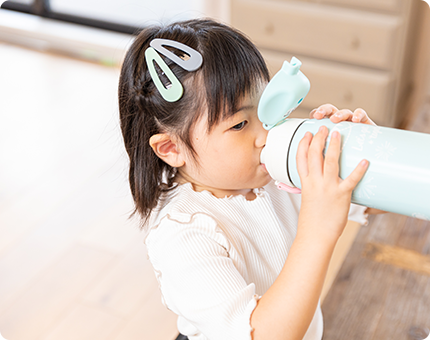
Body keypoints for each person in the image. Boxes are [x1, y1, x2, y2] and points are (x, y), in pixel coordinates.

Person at [118, 18, 384, 340]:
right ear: (172, 148)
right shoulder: (182, 235)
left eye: (267, 108)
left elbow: (371, 206)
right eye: (240, 124)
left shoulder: (272, 170)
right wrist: (317, 231)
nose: (266, 133)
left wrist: (369, 155)